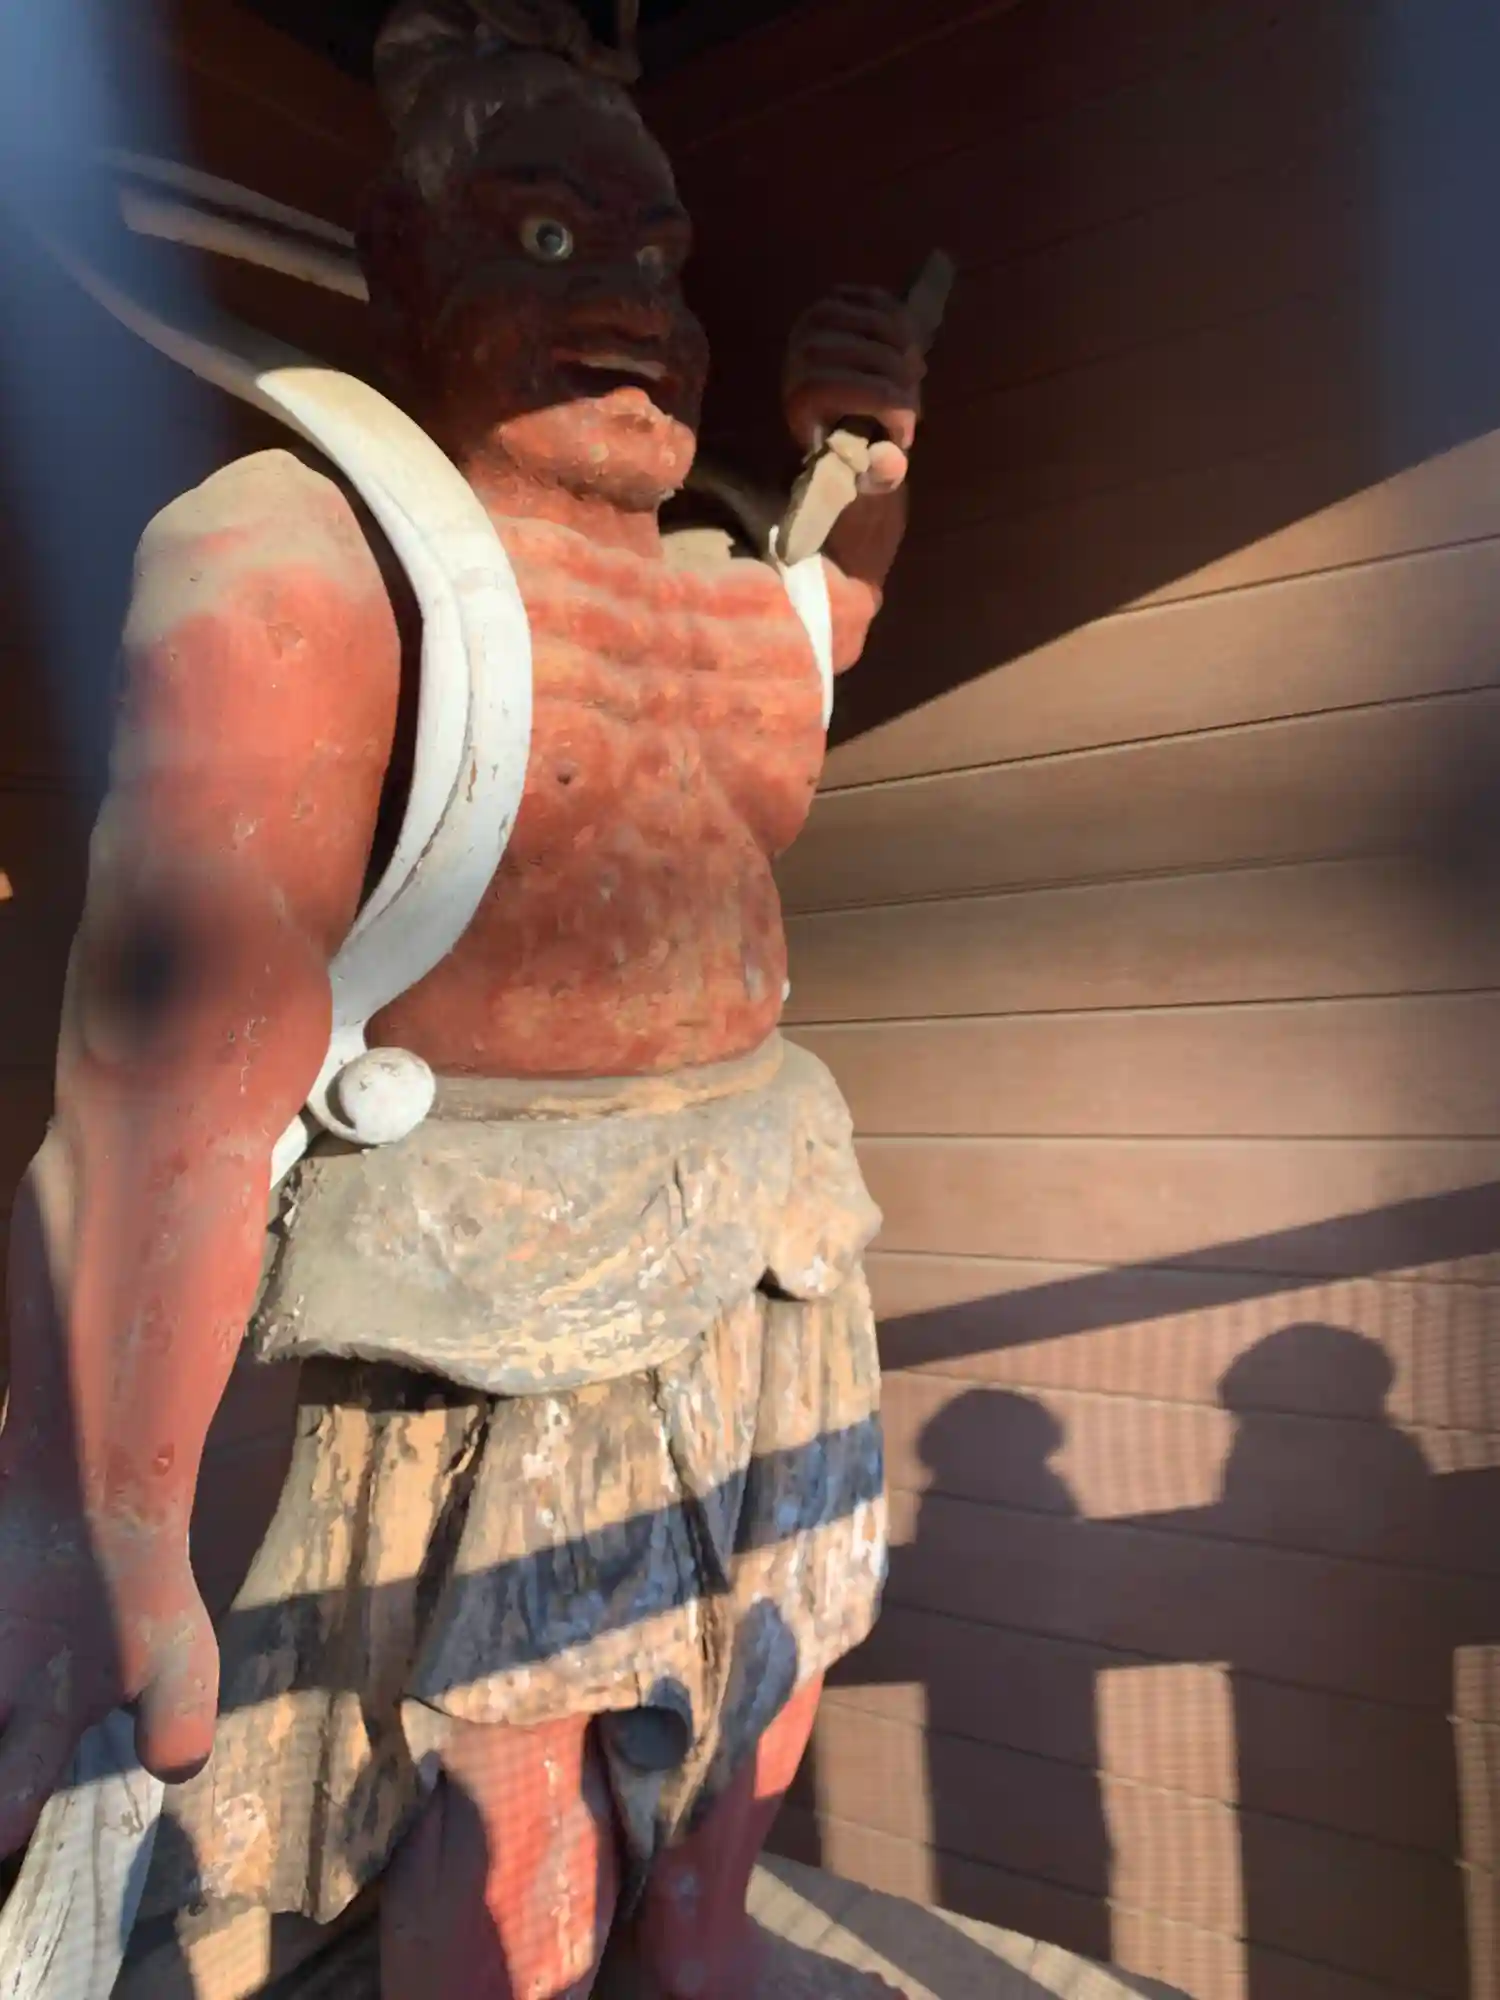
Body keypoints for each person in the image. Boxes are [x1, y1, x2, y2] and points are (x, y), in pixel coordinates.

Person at [0, 2, 926, 1992]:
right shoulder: (304, 565)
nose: (634, 307)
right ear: (406, 265)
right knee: (513, 1790)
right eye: (550, 241)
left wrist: (871, 467)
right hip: (501, 1303)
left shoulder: (717, 589)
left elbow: (819, 638)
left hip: (778, 1239)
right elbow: (170, 1070)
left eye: (660, 259)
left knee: (773, 1672)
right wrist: (97, 1520)